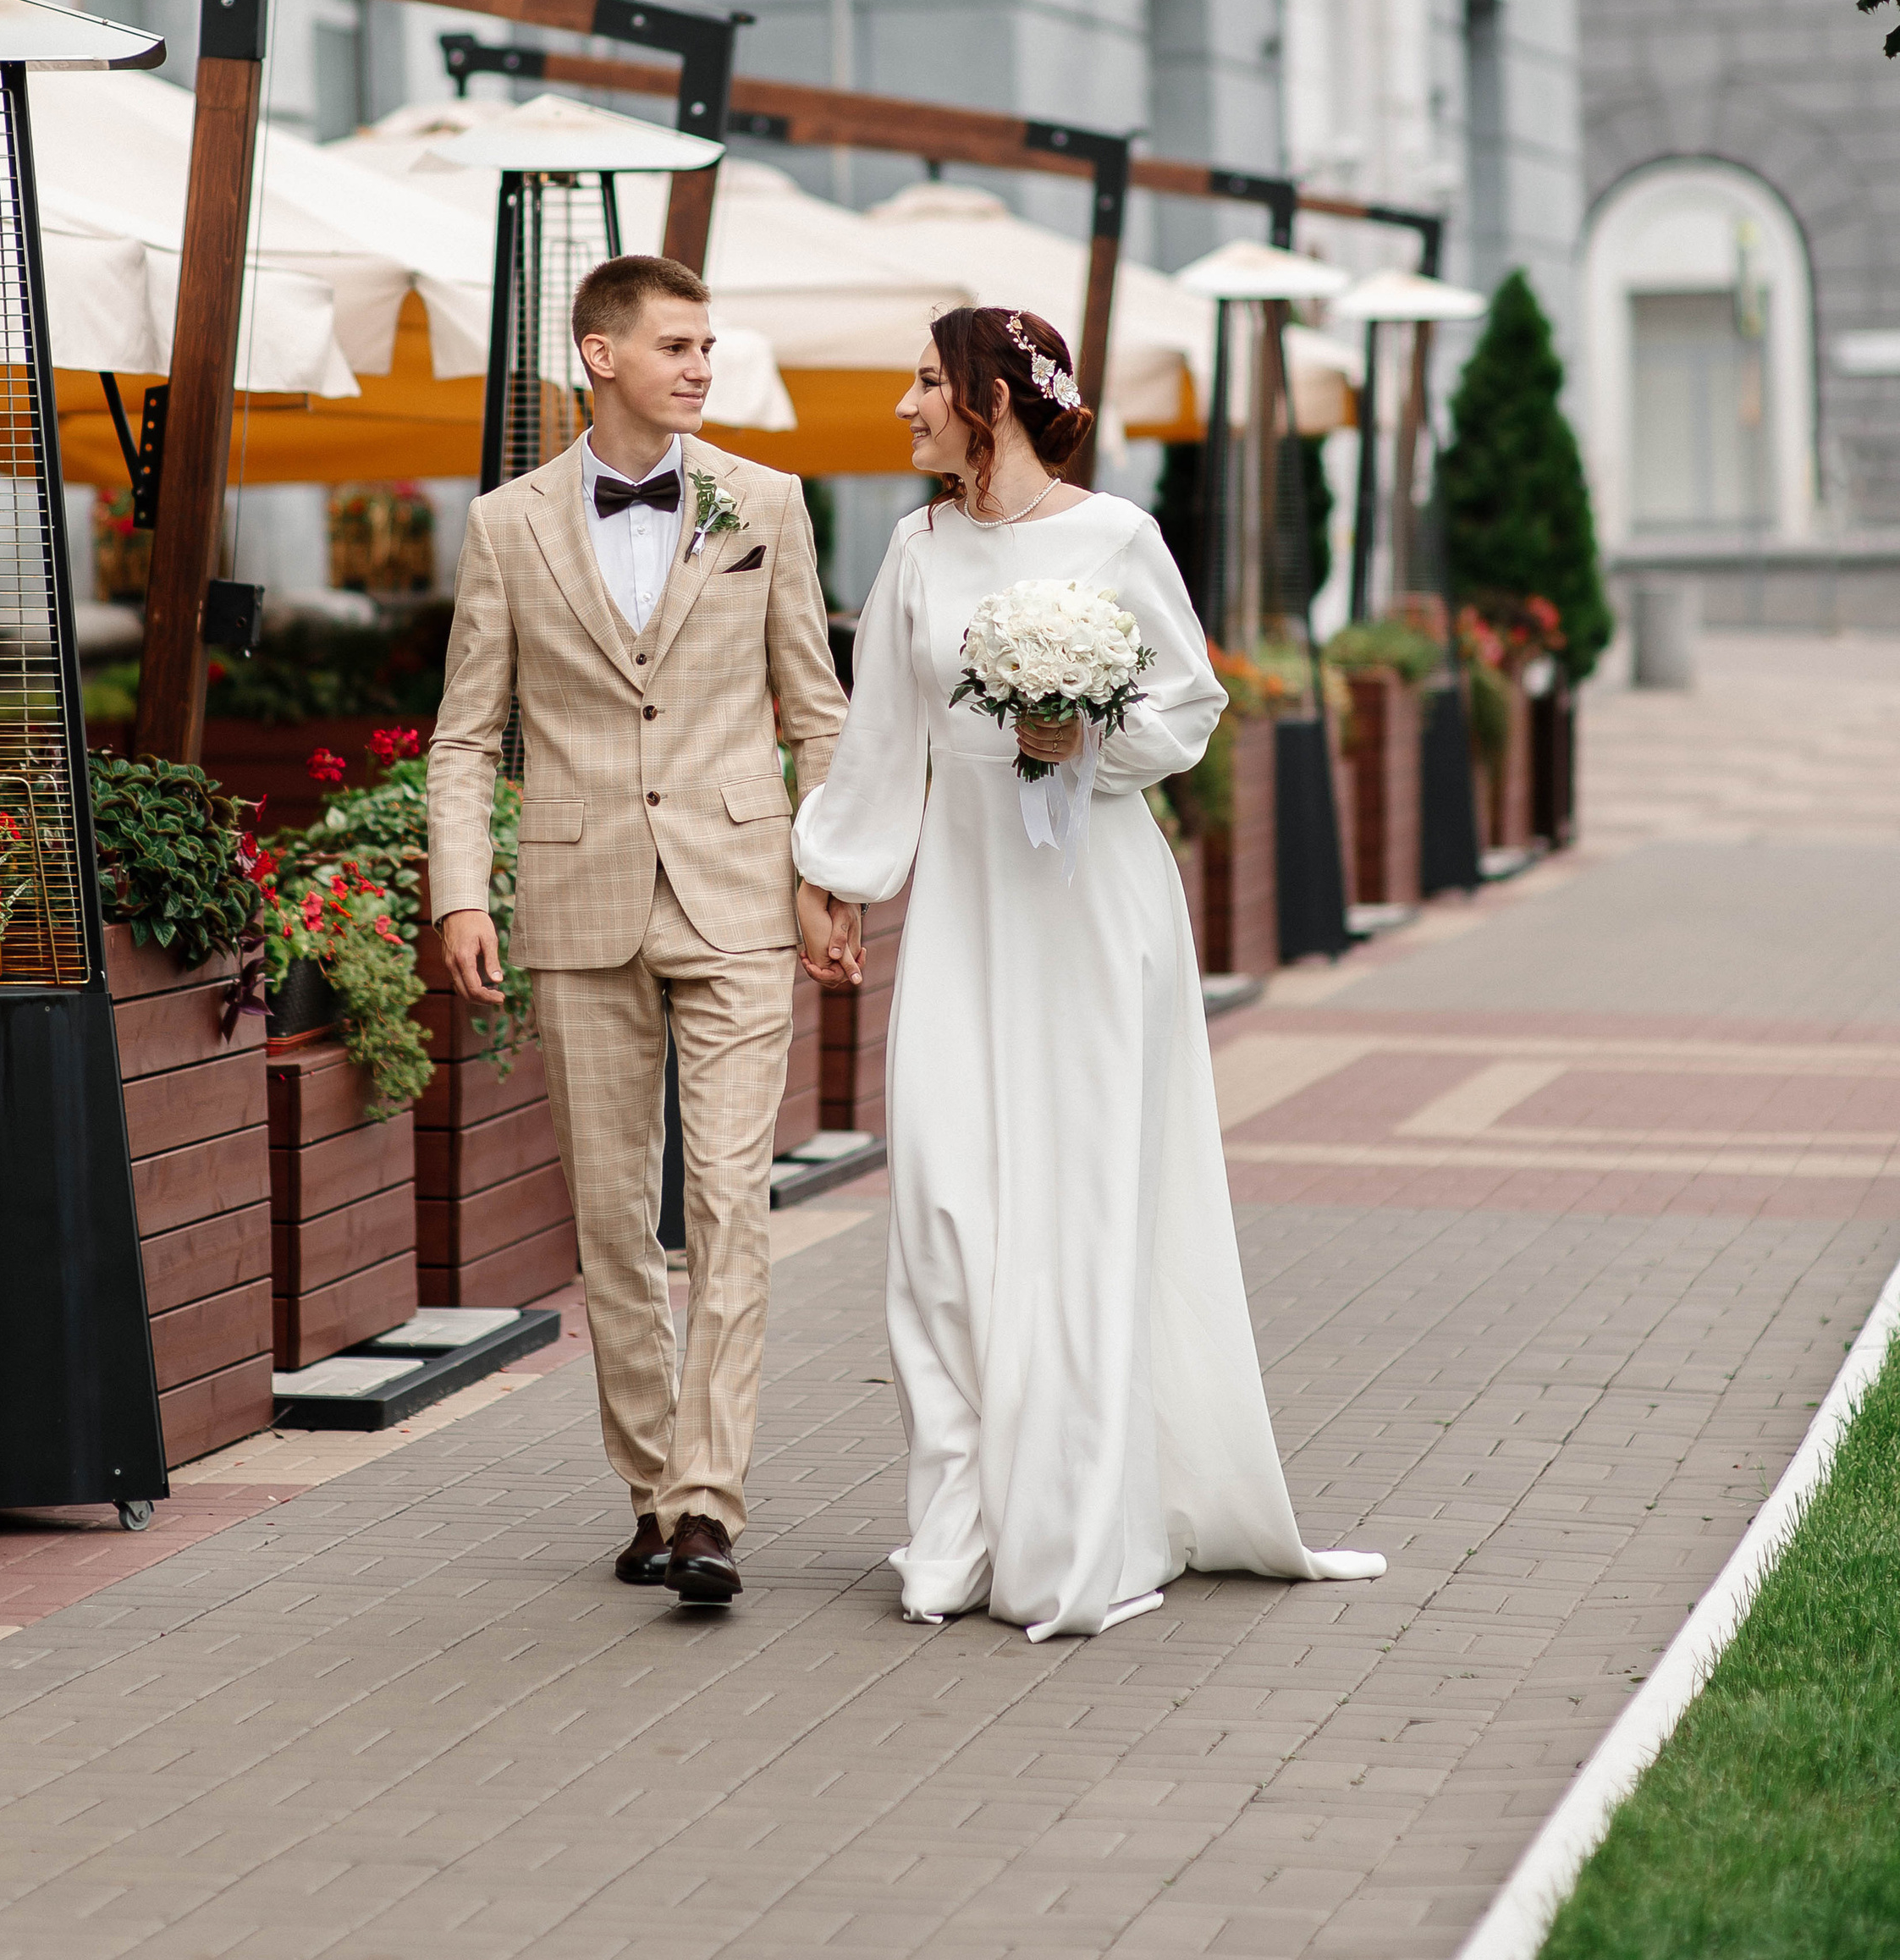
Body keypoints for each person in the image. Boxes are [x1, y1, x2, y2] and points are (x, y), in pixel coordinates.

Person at [793, 305, 1385, 1640]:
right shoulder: (914, 548)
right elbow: (879, 734)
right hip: (966, 907)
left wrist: (1083, 735)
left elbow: (1190, 702)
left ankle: (1086, 1514)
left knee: (1090, 1196)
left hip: (1096, 905)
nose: (905, 405)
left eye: (927, 382)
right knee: (944, 1203)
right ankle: (960, 1526)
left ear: (992, 399)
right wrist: (831, 874)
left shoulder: (1118, 537)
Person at [427, 254, 851, 1609]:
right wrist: (456, 890)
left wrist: (823, 869)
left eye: (708, 345)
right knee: (613, 1219)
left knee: (730, 1201)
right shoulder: (508, 525)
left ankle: (708, 1502)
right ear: (599, 354)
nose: (701, 366)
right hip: (579, 893)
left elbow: (818, 711)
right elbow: (463, 736)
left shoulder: (764, 502)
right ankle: (649, 1485)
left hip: (737, 890)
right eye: (675, 344)